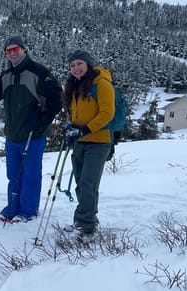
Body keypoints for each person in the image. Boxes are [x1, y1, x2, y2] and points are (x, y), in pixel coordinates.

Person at [0, 36, 62, 222]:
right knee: (13, 174)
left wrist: (42, 119)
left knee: (31, 174)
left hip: (33, 134)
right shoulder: (7, 75)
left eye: (15, 49)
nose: (12, 53)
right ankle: (11, 209)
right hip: (13, 133)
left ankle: (28, 211)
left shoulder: (38, 72)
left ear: (24, 49)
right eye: (7, 51)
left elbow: (56, 98)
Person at [62, 50, 114, 238]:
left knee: (88, 183)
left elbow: (107, 113)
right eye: (72, 65)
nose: (76, 68)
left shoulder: (101, 85)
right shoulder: (75, 85)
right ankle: (83, 219)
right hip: (80, 141)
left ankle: (87, 225)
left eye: (79, 64)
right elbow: (75, 112)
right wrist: (71, 126)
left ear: (88, 64)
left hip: (98, 141)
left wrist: (85, 129)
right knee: (80, 183)